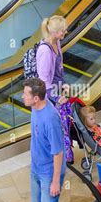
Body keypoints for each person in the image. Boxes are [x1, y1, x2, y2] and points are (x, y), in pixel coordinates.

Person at [22, 78, 89, 202]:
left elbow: (58, 152)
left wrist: (54, 182)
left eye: (25, 94)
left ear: (35, 98)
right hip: (36, 170)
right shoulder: (36, 108)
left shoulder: (50, 119)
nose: (22, 96)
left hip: (49, 174)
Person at [36, 15, 74, 163]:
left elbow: (58, 70)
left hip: (55, 88)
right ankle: (61, 155)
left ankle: (65, 153)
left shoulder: (56, 43)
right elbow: (44, 81)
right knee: (59, 122)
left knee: (65, 119)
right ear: (54, 32)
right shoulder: (45, 51)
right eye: (62, 31)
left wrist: (63, 84)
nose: (65, 33)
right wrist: (57, 98)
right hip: (47, 94)